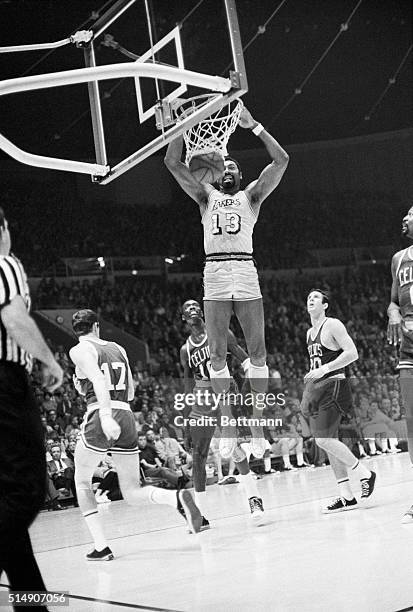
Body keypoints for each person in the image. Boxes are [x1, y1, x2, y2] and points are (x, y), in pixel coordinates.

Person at [165, 105, 289, 460]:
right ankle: (229, 426)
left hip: (246, 270)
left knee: (258, 352)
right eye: (226, 165)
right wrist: (179, 125)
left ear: (239, 174)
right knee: (217, 354)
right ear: (217, 173)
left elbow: (281, 161)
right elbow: (173, 164)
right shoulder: (205, 197)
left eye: (235, 165)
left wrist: (255, 126)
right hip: (216, 273)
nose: (229, 168)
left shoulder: (252, 197)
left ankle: (257, 426)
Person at [69, 309, 203, 561]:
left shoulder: (79, 349)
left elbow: (98, 379)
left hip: (101, 412)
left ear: (76, 330)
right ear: (96, 326)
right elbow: (129, 391)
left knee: (82, 481)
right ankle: (175, 498)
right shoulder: (118, 348)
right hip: (127, 414)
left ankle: (101, 547)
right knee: (131, 491)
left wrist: (105, 415)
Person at [0, 208, 63, 610]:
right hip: (4, 383)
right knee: (25, 491)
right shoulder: (5, 263)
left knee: (4, 496)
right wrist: (48, 359)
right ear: (3, 228)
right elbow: (12, 316)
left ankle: (32, 603)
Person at [180, 299, 265, 524]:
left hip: (224, 390)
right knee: (198, 455)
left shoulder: (220, 332)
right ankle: (199, 516)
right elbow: (188, 383)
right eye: (188, 308)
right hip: (201, 398)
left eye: (196, 306)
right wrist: (187, 415)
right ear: (184, 318)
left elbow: (240, 354)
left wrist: (253, 370)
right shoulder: (185, 349)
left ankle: (254, 498)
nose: (193, 309)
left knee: (235, 449)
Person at [300, 289, 376, 513]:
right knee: (328, 441)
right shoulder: (308, 333)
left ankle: (364, 473)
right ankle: (346, 496)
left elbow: (352, 353)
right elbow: (316, 367)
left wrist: (326, 368)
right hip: (317, 387)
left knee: (322, 438)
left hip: (334, 384)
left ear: (325, 305)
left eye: (316, 297)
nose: (311, 300)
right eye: (308, 298)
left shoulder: (332, 324)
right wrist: (307, 392)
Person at [387, 205, 413, 523]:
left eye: (409, 214)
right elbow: (394, 300)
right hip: (407, 350)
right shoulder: (398, 259)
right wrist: (393, 313)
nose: (404, 218)